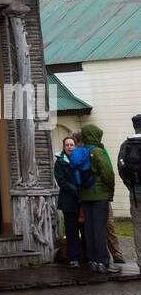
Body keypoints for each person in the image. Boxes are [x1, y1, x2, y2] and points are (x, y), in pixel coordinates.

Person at [76, 123, 115, 272]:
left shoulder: (80, 151)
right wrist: (110, 190)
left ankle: (92, 259)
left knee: (89, 229)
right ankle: (102, 261)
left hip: (85, 196)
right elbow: (107, 173)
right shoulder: (98, 151)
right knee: (99, 229)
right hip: (100, 196)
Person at [117, 113, 141, 270]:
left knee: (138, 225)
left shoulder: (126, 145)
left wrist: (130, 185)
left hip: (135, 192)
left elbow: (121, 169)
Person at [54, 136, 82, 268]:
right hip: (68, 201)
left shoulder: (80, 160)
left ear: (75, 146)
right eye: (67, 145)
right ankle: (73, 258)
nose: (69, 147)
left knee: (85, 229)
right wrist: (76, 190)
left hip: (82, 201)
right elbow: (62, 182)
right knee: (71, 231)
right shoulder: (60, 162)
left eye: (71, 145)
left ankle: (86, 255)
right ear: (64, 147)